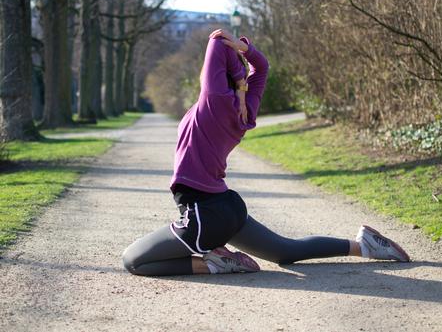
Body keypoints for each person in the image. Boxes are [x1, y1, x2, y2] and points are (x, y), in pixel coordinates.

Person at [122, 29, 410, 276]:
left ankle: (215, 264)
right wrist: (245, 50)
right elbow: (262, 68)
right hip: (226, 207)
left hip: (204, 214)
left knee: (134, 261)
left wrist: (232, 50)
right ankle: (364, 245)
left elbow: (216, 41)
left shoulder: (213, 102)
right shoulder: (242, 112)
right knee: (285, 251)